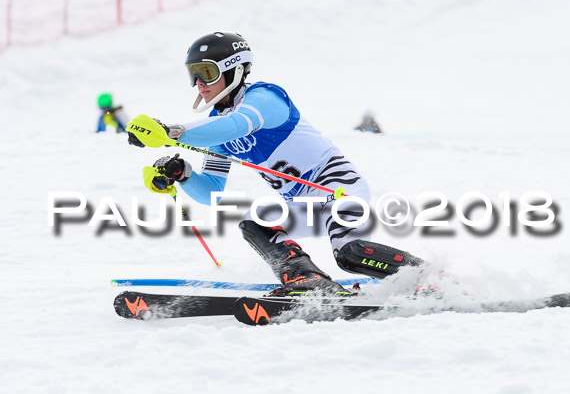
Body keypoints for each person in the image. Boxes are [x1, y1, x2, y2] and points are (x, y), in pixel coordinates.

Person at [127, 32, 424, 296]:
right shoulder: (215, 126)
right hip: (304, 202)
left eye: (206, 72)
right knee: (254, 222)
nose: (198, 83)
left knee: (350, 255)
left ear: (235, 69)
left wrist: (171, 132)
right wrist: (184, 174)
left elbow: (239, 125)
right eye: (193, 74)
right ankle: (306, 279)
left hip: (338, 188)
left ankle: (429, 275)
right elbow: (212, 191)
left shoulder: (266, 97)